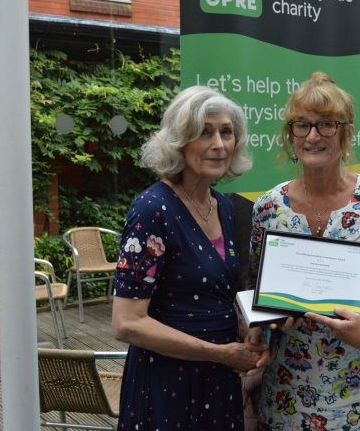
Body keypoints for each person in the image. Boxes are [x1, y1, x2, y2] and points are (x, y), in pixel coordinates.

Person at [249, 72, 360, 429]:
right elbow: (257, 289)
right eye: (302, 125)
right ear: (290, 135)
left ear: (345, 133)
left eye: (326, 125)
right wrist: (264, 322)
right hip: (290, 394)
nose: (313, 136)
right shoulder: (268, 207)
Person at [112, 85, 269, 430]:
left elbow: (219, 292)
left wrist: (247, 330)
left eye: (226, 132)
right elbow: (127, 322)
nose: (218, 144)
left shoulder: (225, 207)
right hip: (168, 385)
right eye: (203, 132)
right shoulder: (153, 210)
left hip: (219, 383)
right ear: (179, 142)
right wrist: (219, 352)